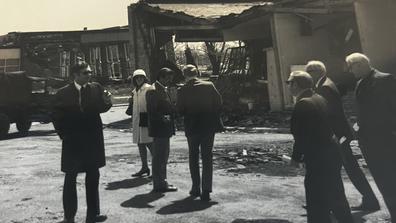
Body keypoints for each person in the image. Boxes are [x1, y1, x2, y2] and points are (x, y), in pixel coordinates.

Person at [305, 60, 379, 211]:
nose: (308, 75)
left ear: (318, 72)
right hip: (339, 135)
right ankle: (368, 200)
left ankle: (368, 201)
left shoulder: (324, 87)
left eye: (310, 72)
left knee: (346, 168)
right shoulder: (324, 84)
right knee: (345, 168)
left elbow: (329, 114)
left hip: (337, 135)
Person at [288, 71, 353, 223]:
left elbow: (302, 135)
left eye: (290, 83)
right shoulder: (318, 98)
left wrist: (296, 158)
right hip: (331, 153)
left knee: (316, 199)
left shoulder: (303, 103)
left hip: (318, 157)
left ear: (296, 84)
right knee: (336, 193)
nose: (289, 86)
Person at [52, 61, 112, 223]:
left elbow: (102, 107)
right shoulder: (62, 93)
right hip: (73, 143)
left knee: (93, 176)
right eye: (85, 72)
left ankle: (93, 215)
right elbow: (57, 117)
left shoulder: (96, 88)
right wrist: (64, 135)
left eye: (90, 72)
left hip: (93, 141)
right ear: (75, 75)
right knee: (70, 177)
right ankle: (69, 217)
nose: (89, 75)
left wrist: (107, 102)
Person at [346, 52, 396, 222]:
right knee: (382, 181)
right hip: (369, 141)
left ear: (359, 64)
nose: (350, 71)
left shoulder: (385, 79)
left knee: (390, 179)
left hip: (386, 140)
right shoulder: (360, 82)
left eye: (351, 67)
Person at [177, 64, 223, 201]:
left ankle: (195, 187)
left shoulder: (182, 90)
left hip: (192, 126)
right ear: (196, 73)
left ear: (185, 75)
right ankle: (206, 189)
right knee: (207, 157)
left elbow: (180, 110)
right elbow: (219, 103)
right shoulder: (209, 86)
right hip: (208, 126)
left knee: (193, 157)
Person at [146, 67, 177, 192]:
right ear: (161, 77)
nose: (169, 81)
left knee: (163, 156)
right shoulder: (153, 90)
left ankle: (162, 182)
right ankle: (159, 183)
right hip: (159, 129)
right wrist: (163, 117)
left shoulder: (162, 89)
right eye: (168, 78)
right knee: (160, 157)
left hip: (164, 128)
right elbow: (152, 111)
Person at [129, 69, 153, 177]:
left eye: (141, 77)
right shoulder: (135, 91)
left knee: (150, 144)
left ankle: (156, 169)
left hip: (146, 119)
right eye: (137, 78)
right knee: (140, 143)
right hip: (137, 120)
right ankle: (144, 167)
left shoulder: (148, 88)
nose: (139, 79)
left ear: (144, 78)